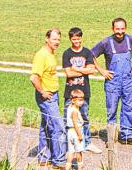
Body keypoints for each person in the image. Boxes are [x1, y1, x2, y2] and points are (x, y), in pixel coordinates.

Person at [92, 18, 132, 145]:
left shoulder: (131, 40)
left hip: (127, 80)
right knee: (112, 109)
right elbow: (90, 55)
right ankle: (111, 138)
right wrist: (101, 70)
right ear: (112, 29)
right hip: (113, 81)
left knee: (128, 108)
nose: (120, 32)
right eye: (117, 29)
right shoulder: (106, 43)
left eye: (122, 28)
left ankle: (126, 136)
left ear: (125, 28)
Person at [30, 28, 66, 168]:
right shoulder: (42, 55)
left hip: (53, 94)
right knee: (58, 126)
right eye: (54, 39)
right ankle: (59, 161)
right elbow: (34, 77)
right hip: (47, 96)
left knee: (46, 126)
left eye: (58, 40)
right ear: (47, 38)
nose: (56, 42)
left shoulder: (51, 54)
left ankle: (44, 157)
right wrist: (42, 92)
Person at [62, 27, 101, 154]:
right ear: (70, 39)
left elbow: (92, 70)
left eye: (78, 38)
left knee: (84, 117)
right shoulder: (67, 53)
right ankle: (67, 143)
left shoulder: (87, 52)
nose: (76, 41)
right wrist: (84, 69)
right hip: (70, 92)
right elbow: (68, 73)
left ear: (81, 38)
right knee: (68, 118)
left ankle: (87, 142)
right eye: (73, 39)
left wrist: (75, 68)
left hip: (84, 91)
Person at [66, 89, 86, 170]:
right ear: (73, 100)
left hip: (70, 132)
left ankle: (68, 166)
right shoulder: (75, 111)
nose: (82, 102)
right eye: (80, 100)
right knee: (79, 151)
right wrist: (79, 135)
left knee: (71, 151)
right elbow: (75, 124)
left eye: (83, 100)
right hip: (76, 132)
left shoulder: (70, 107)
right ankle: (80, 166)